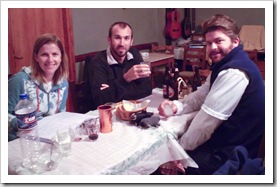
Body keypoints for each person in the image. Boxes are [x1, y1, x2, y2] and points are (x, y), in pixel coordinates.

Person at [158, 14, 265, 174]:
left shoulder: (234, 72)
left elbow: (206, 124)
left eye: (219, 41)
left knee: (157, 165)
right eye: (209, 43)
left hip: (230, 156)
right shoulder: (225, 65)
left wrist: (177, 152)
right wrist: (176, 107)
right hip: (221, 145)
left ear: (235, 41)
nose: (212, 47)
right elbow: (201, 95)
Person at [8, 33, 69, 141]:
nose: (50, 60)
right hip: (20, 141)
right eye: (44, 54)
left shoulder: (63, 83)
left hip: (48, 138)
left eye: (55, 54)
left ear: (61, 57)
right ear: (36, 57)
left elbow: (61, 115)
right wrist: (21, 122)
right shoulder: (19, 81)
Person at [85, 21, 152, 110]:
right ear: (109, 40)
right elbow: (101, 101)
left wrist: (111, 89)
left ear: (131, 41)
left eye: (126, 38)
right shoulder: (97, 62)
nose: (122, 43)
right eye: (117, 38)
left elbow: (147, 88)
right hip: (103, 116)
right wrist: (126, 79)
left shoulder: (134, 54)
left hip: (129, 111)